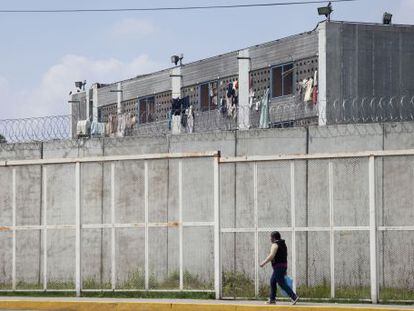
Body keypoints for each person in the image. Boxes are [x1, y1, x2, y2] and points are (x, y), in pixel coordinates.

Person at [260, 231, 299, 305]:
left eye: (270, 237)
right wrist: (284, 269)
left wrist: (264, 262)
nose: (270, 239)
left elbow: (271, 255)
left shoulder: (275, 244)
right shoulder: (283, 244)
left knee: (281, 282)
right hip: (283, 265)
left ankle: (294, 296)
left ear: (274, 238)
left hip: (278, 266)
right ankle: (272, 299)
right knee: (272, 281)